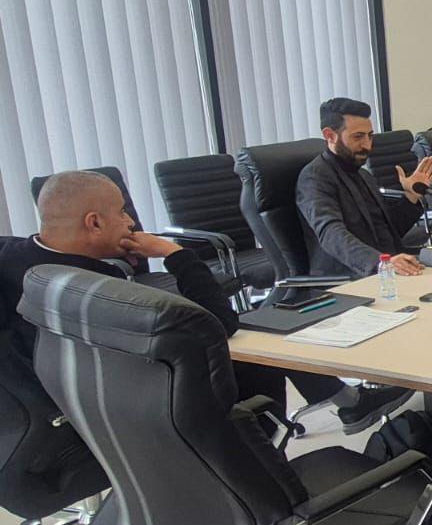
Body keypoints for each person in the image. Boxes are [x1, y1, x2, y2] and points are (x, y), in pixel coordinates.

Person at [0, 172, 408, 433]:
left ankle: (348, 402)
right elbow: (221, 325)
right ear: (93, 222)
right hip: (126, 407)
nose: (130, 222)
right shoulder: (94, 289)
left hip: (43, 402)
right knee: (254, 345)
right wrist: (177, 254)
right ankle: (261, 461)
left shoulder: (17, 257)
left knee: (261, 326)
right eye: (122, 213)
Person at [296, 97, 432, 279]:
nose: (367, 145)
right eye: (358, 137)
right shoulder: (314, 178)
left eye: (370, 136)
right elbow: (331, 234)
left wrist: (411, 196)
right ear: (330, 135)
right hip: (350, 277)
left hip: (390, 269)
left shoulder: (364, 175)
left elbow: (388, 231)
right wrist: (382, 263)